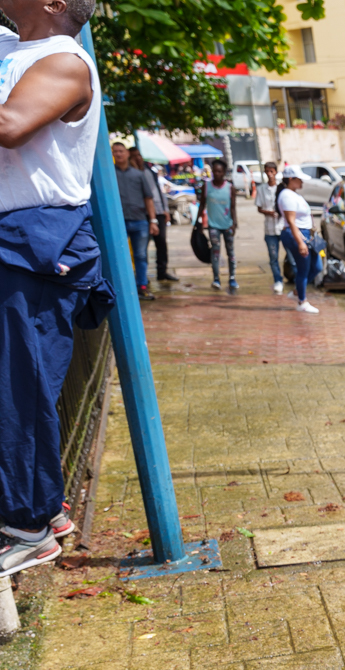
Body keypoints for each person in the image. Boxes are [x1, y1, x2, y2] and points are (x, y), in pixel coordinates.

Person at [0, 0, 113, 578]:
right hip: (16, 236)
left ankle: (28, 528)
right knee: (18, 382)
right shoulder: (13, 48)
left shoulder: (64, 61)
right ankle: (45, 508)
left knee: (17, 388)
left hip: (35, 236)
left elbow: (9, 127)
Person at [111, 140, 157, 298]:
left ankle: (142, 285)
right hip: (119, 222)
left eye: (121, 151)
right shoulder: (110, 175)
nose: (118, 154)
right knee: (120, 255)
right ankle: (124, 287)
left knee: (141, 255)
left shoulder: (138, 175)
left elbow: (148, 198)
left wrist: (153, 220)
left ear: (127, 153)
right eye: (115, 151)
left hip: (140, 221)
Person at [276, 165, 319, 313]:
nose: (302, 182)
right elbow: (291, 221)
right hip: (297, 234)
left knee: (317, 266)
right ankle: (302, 301)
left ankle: (297, 291)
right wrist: (300, 242)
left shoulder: (293, 194)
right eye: (299, 179)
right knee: (303, 268)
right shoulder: (287, 196)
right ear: (291, 179)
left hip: (305, 234)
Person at [129, 148, 174, 283]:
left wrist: (165, 210)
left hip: (158, 211)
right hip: (143, 214)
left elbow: (158, 192)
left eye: (139, 155)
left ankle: (162, 271)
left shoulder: (150, 172)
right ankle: (143, 276)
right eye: (134, 156)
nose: (138, 158)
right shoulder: (133, 174)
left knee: (161, 243)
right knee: (141, 248)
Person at [198, 157, 237, 289]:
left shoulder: (230, 188)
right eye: (215, 171)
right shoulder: (206, 186)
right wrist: (198, 223)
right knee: (215, 252)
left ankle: (232, 278)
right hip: (213, 225)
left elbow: (233, 207)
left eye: (220, 171)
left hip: (228, 225)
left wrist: (235, 223)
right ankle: (216, 279)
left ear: (224, 172)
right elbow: (202, 205)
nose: (217, 174)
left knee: (230, 252)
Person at [253, 160, 284, 294]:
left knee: (292, 255)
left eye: (272, 171)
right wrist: (269, 213)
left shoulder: (282, 188)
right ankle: (278, 280)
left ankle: (295, 278)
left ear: (275, 172)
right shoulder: (261, 189)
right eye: (267, 172)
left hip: (283, 227)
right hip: (270, 228)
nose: (270, 174)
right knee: (273, 256)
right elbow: (259, 208)